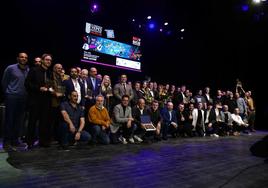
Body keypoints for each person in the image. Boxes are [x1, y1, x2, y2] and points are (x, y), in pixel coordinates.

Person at [1, 52, 29, 151]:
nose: (24, 59)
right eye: (22, 57)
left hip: (23, 98)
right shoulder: (10, 68)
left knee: (19, 120)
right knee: (9, 119)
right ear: (18, 58)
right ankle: (7, 141)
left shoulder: (28, 70)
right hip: (12, 96)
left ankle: (15, 140)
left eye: (25, 57)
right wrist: (9, 93)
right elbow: (4, 82)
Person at [25, 53, 53, 148]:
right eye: (47, 60)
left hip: (46, 101)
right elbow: (27, 84)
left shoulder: (50, 73)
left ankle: (43, 141)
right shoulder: (34, 70)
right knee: (32, 122)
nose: (49, 61)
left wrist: (52, 90)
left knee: (44, 122)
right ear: (42, 60)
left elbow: (51, 85)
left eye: (50, 60)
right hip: (35, 100)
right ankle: (30, 142)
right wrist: (38, 88)